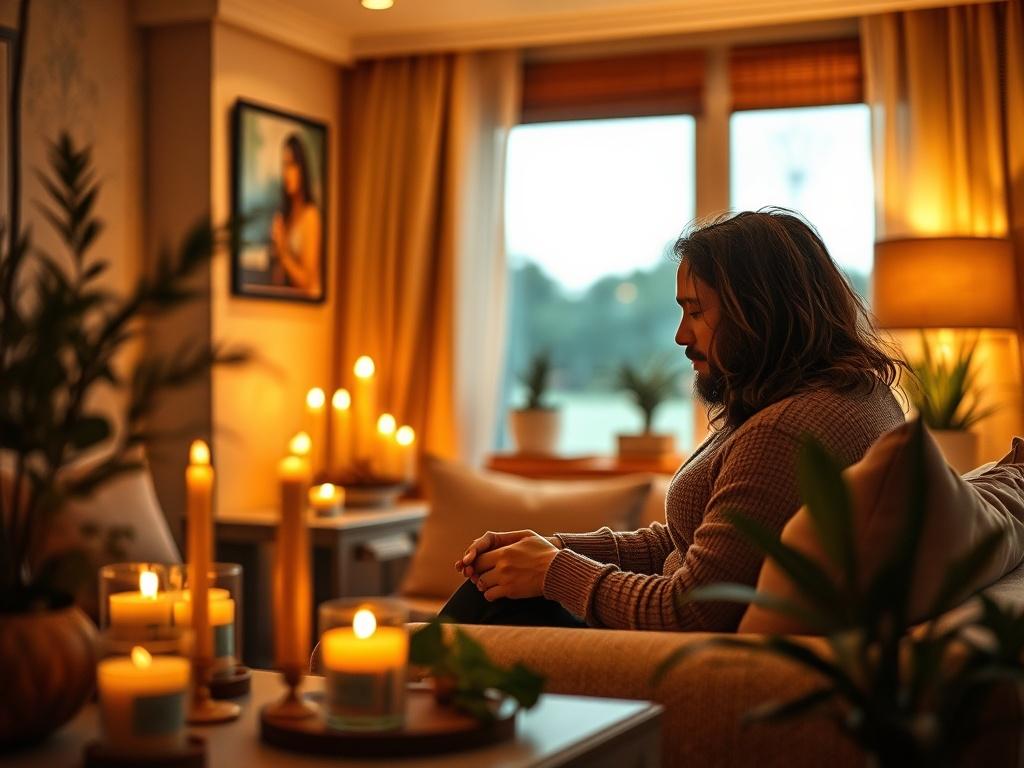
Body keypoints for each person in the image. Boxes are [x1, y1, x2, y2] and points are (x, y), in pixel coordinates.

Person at [445, 208, 907, 632]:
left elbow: (692, 609)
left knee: (488, 604)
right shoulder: (849, 394)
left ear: (759, 311)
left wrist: (552, 571)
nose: (681, 335)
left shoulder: (784, 433)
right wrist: (555, 547)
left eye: (696, 311)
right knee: (493, 587)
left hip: (674, 657)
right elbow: (688, 543)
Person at [269, 133, 322, 296]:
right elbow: (279, 279)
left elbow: (307, 281)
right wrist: (277, 248)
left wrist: (283, 253)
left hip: (308, 304)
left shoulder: (311, 215)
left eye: (292, 165)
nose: (287, 173)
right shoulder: (287, 215)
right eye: (284, 165)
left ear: (302, 168)